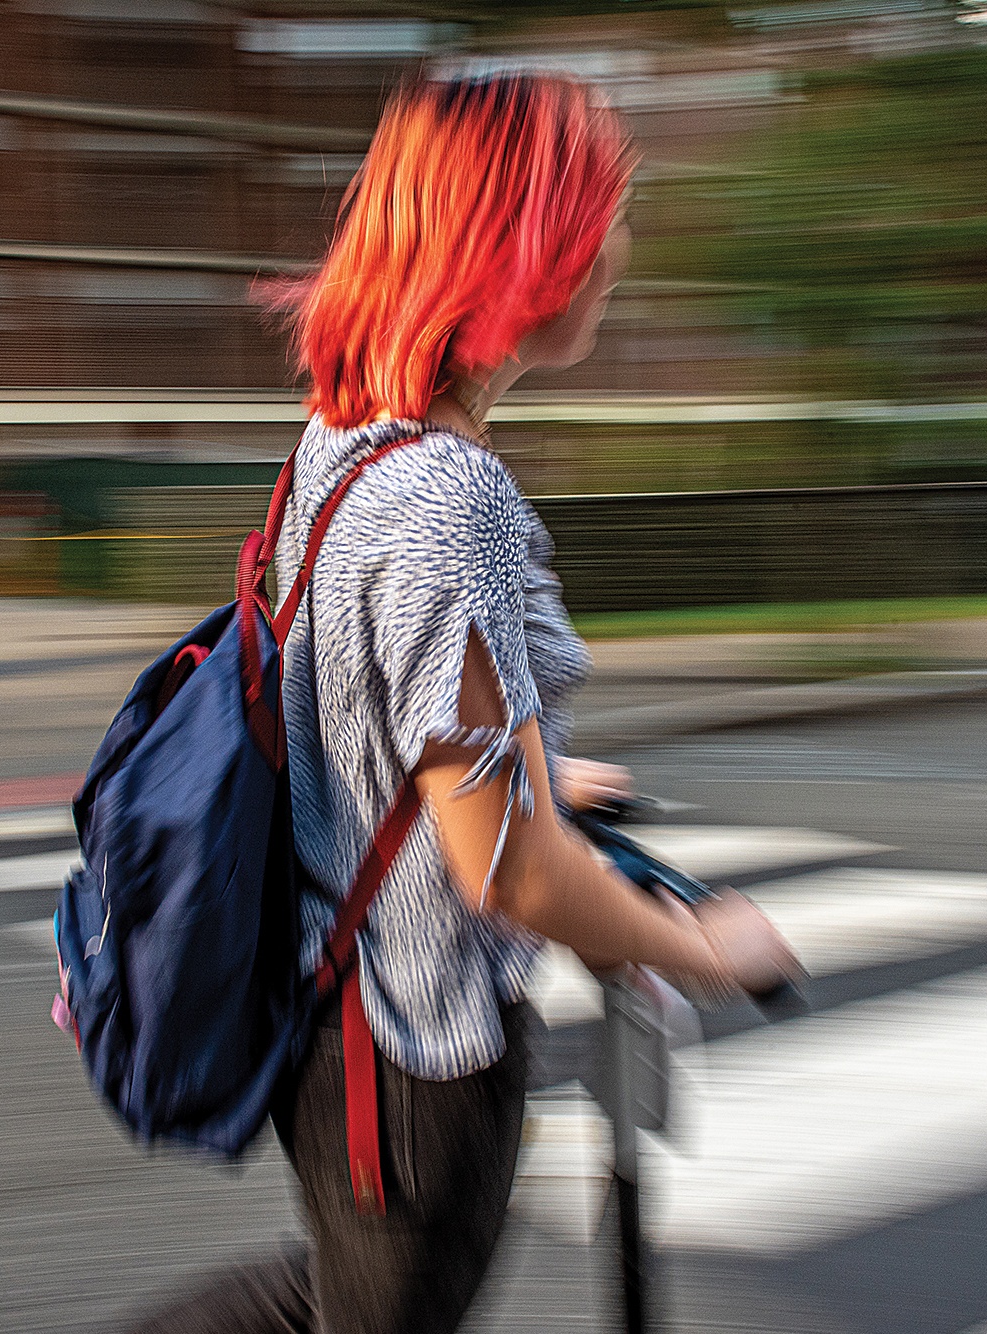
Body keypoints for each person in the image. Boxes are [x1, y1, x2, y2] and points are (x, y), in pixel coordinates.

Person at [132, 73, 799, 1334]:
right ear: (520, 248)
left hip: (321, 1012)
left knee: (340, 1296)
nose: (617, 251)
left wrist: (537, 769)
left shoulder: (340, 446)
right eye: (594, 218)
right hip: (412, 1060)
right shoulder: (454, 498)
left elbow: (360, 713)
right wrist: (702, 949)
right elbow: (508, 872)